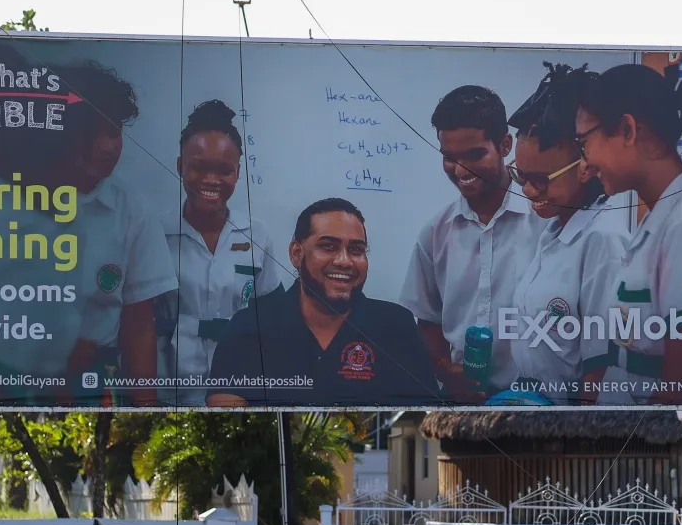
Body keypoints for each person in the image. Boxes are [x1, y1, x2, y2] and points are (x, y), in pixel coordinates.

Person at [574, 63, 682, 406]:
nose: (584, 164)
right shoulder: (665, 214)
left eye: (584, 143)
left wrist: (632, 438)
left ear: (627, 130)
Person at [207, 198, 440, 406]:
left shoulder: (397, 326)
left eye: (356, 250)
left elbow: (422, 409)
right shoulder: (249, 326)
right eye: (328, 246)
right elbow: (227, 412)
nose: (344, 261)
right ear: (296, 253)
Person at [400, 84, 539, 401]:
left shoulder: (546, 221)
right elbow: (427, 320)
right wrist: (443, 369)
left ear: (505, 145)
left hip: (539, 402)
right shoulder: (435, 232)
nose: (460, 170)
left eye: (475, 155)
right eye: (449, 157)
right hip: (463, 403)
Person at [498, 64, 627, 404]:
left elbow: (600, 369)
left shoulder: (603, 241)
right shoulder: (554, 231)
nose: (528, 190)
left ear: (586, 167)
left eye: (541, 179)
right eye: (520, 175)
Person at [55, 61, 176, 406]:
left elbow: (139, 326)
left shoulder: (133, 210)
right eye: (94, 134)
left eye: (114, 133)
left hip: (94, 383)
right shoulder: (10, 197)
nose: (108, 147)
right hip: (10, 378)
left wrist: (144, 412)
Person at [159, 99, 287, 403]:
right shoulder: (154, 233)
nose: (211, 180)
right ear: (180, 166)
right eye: (199, 167)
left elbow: (274, 319)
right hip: (167, 388)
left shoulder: (257, 235)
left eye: (224, 171)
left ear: (238, 173)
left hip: (237, 388)